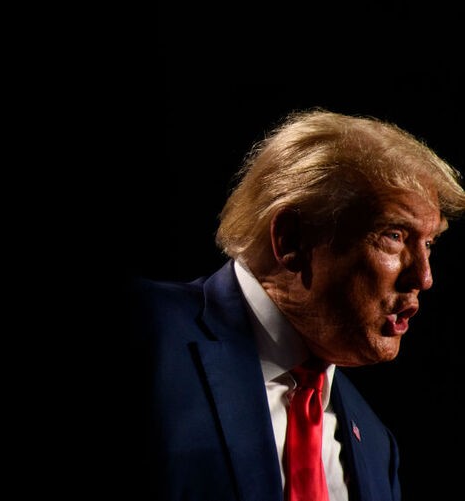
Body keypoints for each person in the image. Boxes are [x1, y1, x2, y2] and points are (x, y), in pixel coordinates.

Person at [126, 108, 465, 500]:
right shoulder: (144, 329)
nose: (423, 277)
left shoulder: (376, 445)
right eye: (393, 235)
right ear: (291, 241)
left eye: (428, 245)